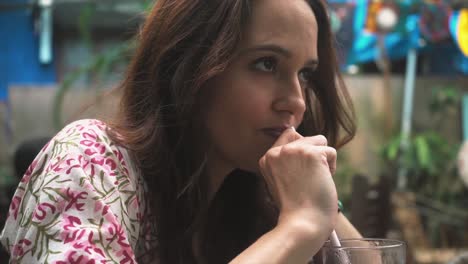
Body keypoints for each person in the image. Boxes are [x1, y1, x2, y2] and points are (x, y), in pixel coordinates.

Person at [1, 0, 362, 263]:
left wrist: (320, 204)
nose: (296, 102)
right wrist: (300, 225)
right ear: (187, 66)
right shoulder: (90, 159)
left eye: (305, 74)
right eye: (266, 64)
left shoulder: (254, 195)